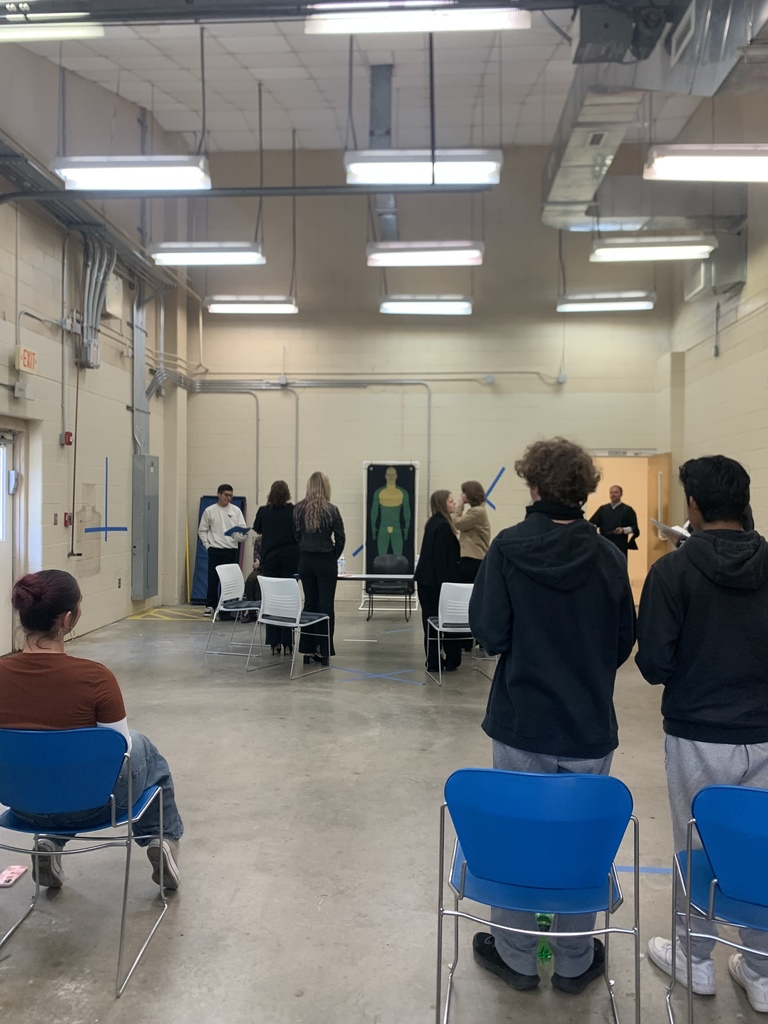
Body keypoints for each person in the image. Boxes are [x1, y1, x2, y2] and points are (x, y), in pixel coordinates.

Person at [468, 437, 636, 995]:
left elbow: (489, 633)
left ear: (533, 486)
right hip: (588, 724)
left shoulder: (509, 548)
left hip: (523, 720)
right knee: (579, 844)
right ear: (585, 491)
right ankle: (572, 959)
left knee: (519, 837)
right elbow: (622, 641)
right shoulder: (610, 557)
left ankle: (516, 956)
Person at [636, 456, 768, 1011]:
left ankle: (694, 959)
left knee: (698, 845)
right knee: (761, 845)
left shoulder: (672, 572)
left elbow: (654, 666)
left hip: (698, 734)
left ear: (693, 505)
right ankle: (761, 968)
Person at [0, 570, 184, 889]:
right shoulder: (95, 678)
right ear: (68, 619)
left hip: (21, 804)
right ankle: (162, 840)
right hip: (94, 806)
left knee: (45, 767)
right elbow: (121, 754)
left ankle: (50, 842)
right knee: (145, 750)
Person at [293, 472, 345, 666]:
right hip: (325, 561)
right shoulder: (332, 510)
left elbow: (296, 535)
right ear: (325, 487)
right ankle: (324, 651)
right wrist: (333, 555)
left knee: (310, 604)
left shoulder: (298, 509)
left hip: (306, 561)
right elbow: (341, 538)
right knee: (326, 607)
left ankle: (307, 651)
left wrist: (305, 549)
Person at [414, 490, 462, 673]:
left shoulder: (433, 522)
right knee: (444, 621)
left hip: (426, 581)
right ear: (443, 504)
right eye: (451, 501)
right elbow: (440, 559)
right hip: (436, 583)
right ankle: (449, 659)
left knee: (430, 621)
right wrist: (447, 587)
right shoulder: (442, 526)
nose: (454, 503)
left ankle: (434, 660)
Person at [252, 480, 300, 654]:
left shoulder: (264, 511)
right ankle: (288, 641)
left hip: (270, 560)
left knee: (271, 600)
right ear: (287, 494)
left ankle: (274, 642)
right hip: (290, 560)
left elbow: (257, 529)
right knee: (288, 600)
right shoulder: (293, 510)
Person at [198, 483, 249, 616]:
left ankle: (226, 605)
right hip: (214, 549)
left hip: (231, 549)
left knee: (228, 580)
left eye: (231, 496)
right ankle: (210, 605)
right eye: (226, 495)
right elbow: (202, 530)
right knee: (213, 579)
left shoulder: (236, 511)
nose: (229, 498)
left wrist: (241, 536)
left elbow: (242, 530)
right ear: (219, 495)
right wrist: (207, 545)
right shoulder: (210, 510)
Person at [451, 480, 491, 584]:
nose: (461, 495)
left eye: (464, 492)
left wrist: (459, 505)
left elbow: (457, 523)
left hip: (473, 558)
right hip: (473, 558)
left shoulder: (477, 511)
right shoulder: (478, 510)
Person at [589, 485, 640, 560]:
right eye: (611, 492)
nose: (613, 494)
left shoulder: (627, 510)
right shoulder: (603, 509)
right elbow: (593, 523)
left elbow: (634, 528)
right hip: (604, 542)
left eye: (616, 492)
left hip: (620, 544)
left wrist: (623, 530)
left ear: (621, 494)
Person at [370, 466, 412, 557]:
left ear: (396, 476)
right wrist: (373, 529)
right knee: (381, 558)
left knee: (399, 558)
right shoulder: (379, 492)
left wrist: (407, 528)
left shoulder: (403, 493)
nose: (391, 477)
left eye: (393, 475)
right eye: (389, 475)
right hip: (383, 528)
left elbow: (407, 512)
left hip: (397, 528)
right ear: (385, 476)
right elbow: (374, 512)